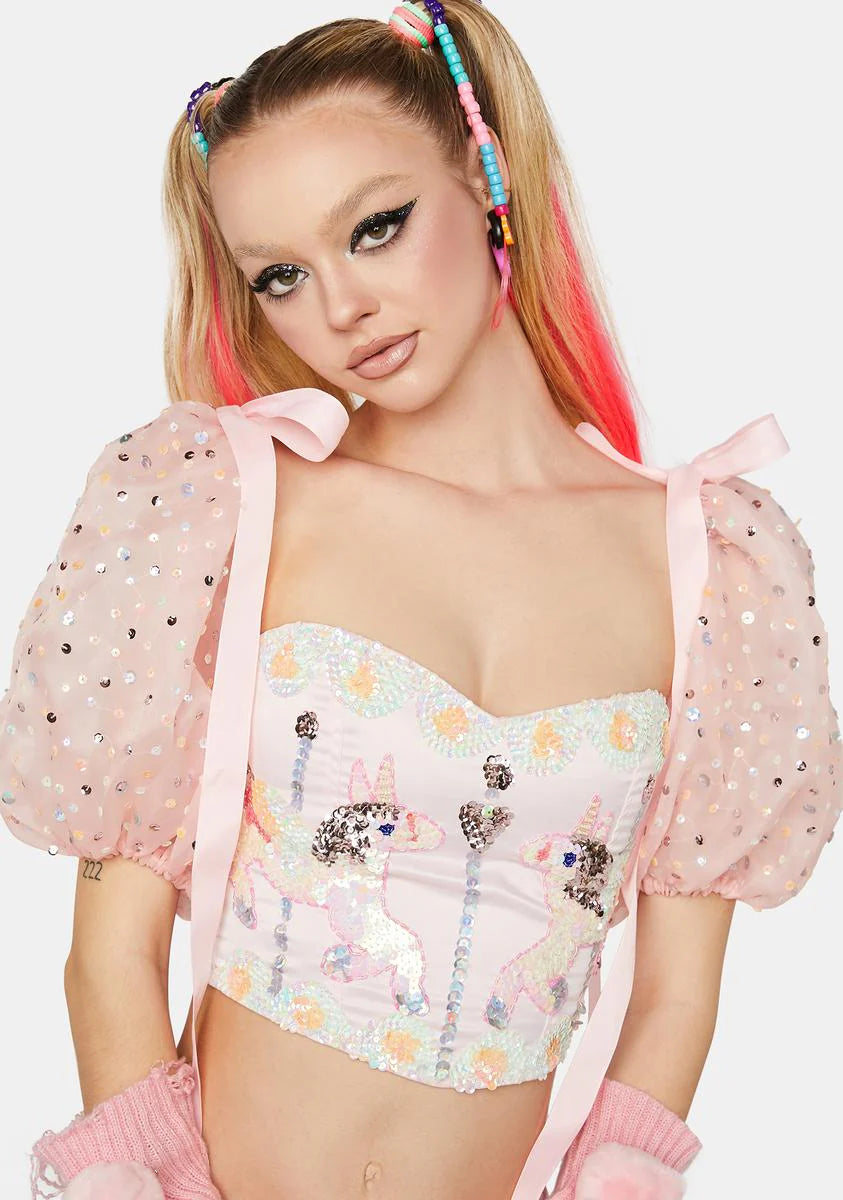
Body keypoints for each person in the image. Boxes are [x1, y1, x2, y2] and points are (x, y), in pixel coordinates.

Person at [4, 3, 839, 1199]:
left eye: (376, 227)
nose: (339, 306)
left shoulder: (709, 566)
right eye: (282, 275)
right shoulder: (222, 507)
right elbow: (108, 960)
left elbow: (676, 993)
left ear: (488, 178)